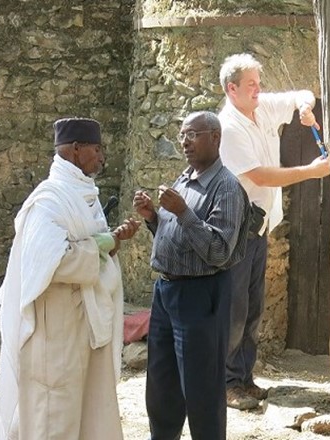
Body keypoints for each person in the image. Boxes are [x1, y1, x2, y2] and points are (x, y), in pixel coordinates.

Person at [0, 117, 141, 440]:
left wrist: (112, 241)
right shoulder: (48, 201)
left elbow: (93, 248)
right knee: (52, 421)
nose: (102, 157)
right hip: (54, 336)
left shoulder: (84, 194)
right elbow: (53, 261)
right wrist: (102, 246)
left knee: (89, 417)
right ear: (76, 150)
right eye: (97, 149)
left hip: (86, 331)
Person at [217, 53, 330, 410]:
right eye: (251, 84)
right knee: (234, 311)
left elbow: (302, 92)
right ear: (231, 88)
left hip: (260, 227)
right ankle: (225, 384)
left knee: (252, 309)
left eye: (259, 82)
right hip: (236, 231)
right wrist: (311, 171)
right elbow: (260, 175)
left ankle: (244, 378)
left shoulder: (261, 107)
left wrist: (304, 107)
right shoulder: (228, 127)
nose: (258, 89)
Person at [133, 111, 249, 440]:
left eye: (193, 134)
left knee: (201, 390)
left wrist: (183, 211)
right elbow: (177, 240)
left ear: (215, 138)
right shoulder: (184, 179)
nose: (185, 141)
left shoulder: (225, 188)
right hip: (167, 292)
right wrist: (153, 218)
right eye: (182, 134)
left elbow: (217, 252)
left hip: (201, 295)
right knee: (161, 384)